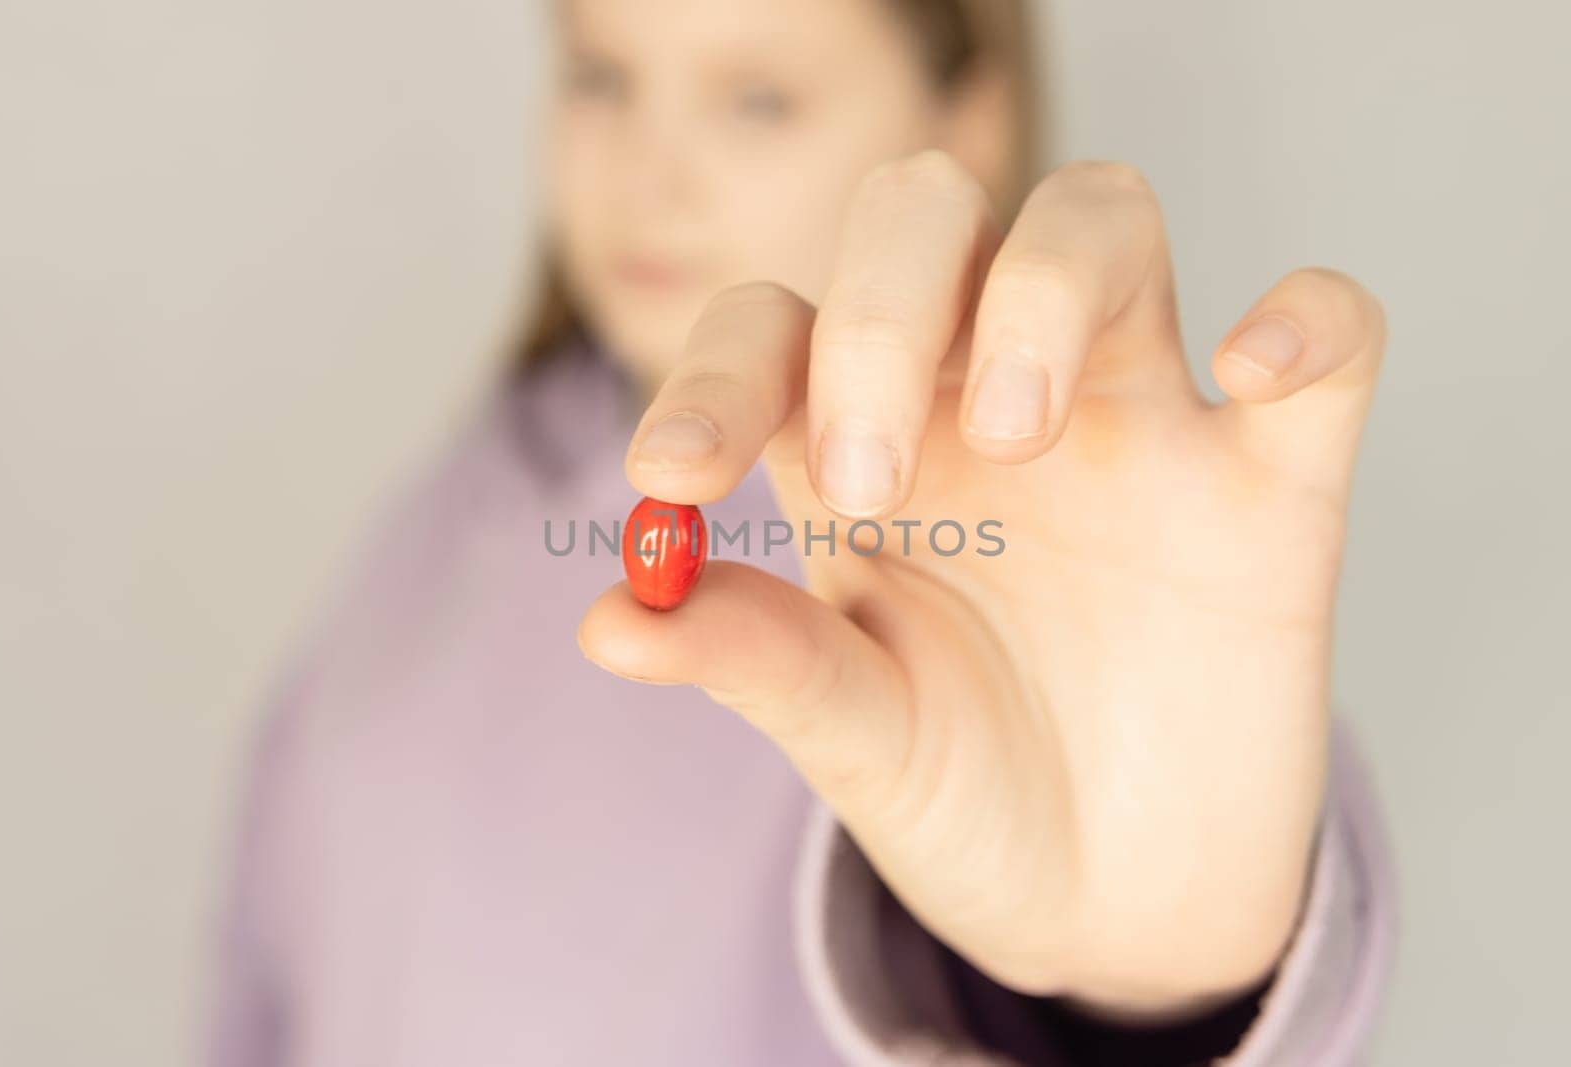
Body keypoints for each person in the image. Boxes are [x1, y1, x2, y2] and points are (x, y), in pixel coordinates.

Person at [207, 1, 1398, 1064]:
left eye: (758, 99)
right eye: (601, 78)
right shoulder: (442, 509)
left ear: (969, 115)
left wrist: (1147, 994)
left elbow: (1080, 934)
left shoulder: (1012, 590)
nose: (651, 178)